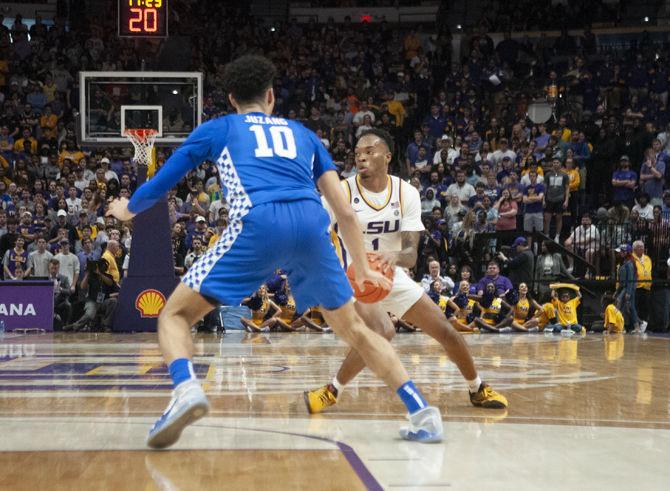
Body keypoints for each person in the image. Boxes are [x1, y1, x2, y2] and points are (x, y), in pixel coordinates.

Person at [106, 55, 443, 448]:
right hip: (312, 225)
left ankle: (186, 390)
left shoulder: (219, 128)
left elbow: (161, 182)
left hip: (259, 222)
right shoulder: (304, 134)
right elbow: (345, 211)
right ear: (270, 96)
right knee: (355, 329)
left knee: (176, 314)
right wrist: (363, 268)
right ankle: (422, 412)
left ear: (232, 99)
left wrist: (126, 209)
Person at [304, 128, 507, 416]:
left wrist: (394, 255)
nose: (361, 157)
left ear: (386, 156)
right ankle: (331, 391)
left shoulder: (405, 192)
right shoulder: (343, 191)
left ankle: (477, 387)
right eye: (357, 154)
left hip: (392, 275)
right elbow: (315, 232)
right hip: (356, 277)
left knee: (446, 331)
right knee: (381, 331)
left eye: (369, 151)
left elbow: (411, 255)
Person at [614, 244, 639, 332]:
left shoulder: (629, 264)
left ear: (626, 252)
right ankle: (632, 327)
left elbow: (631, 279)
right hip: (623, 288)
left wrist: (628, 292)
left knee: (625, 306)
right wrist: (617, 291)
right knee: (627, 307)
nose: (619, 253)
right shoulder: (624, 262)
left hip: (628, 288)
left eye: (621, 251)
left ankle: (635, 327)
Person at [543, 158, 570, 241]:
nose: (555, 164)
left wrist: (566, 201)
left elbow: (567, 188)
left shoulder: (564, 175)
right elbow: (545, 188)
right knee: (547, 218)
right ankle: (546, 235)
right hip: (549, 199)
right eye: (554, 162)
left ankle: (557, 236)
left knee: (559, 218)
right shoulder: (548, 175)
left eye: (557, 162)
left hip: (560, 199)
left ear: (560, 164)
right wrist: (543, 200)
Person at [631, 240, 651, 332]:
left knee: (645, 307)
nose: (641, 248)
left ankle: (644, 326)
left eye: (642, 246)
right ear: (634, 248)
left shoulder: (647, 258)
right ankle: (636, 326)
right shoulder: (631, 258)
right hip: (636, 287)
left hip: (646, 287)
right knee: (636, 307)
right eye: (639, 246)